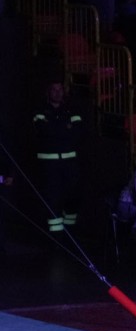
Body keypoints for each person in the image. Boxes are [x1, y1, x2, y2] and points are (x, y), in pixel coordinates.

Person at [32, 81, 84, 235]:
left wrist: (55, 129)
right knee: (53, 198)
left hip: (69, 163)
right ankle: (56, 236)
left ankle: (70, 233)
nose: (57, 92)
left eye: (60, 89)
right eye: (54, 89)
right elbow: (44, 132)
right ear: (48, 92)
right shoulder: (41, 111)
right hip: (49, 164)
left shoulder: (71, 110)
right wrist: (64, 129)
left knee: (73, 196)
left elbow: (78, 132)